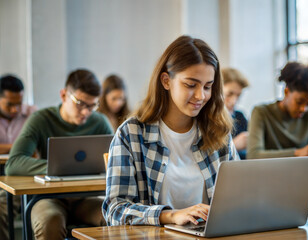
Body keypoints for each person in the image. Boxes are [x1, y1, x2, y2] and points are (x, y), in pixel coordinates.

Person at [102, 35, 239, 227]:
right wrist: (170, 216)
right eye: (191, 85)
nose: (201, 95)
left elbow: (239, 200)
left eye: (208, 86)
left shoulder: (219, 132)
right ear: (166, 81)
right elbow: (115, 210)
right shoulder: (131, 134)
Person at [1, 69, 113, 240]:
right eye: (80, 103)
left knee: (114, 218)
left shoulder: (100, 122)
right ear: (63, 95)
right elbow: (13, 163)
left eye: (92, 106)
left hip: (86, 198)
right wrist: (56, 168)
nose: (86, 112)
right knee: (49, 223)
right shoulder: (40, 119)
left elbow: (115, 163)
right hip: (47, 198)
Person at [247, 62, 308, 209]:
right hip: (272, 190)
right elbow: (254, 155)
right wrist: (297, 153)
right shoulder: (261, 113)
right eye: (299, 102)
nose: (303, 108)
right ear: (286, 92)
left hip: (307, 189)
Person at [0, 75, 36, 154]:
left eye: (19, 104)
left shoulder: (33, 114)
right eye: (9, 105)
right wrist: (20, 147)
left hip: (24, 164)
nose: (14, 110)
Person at [222, 67, 249, 159]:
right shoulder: (208, 119)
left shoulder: (240, 116)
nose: (234, 101)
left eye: (238, 95)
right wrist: (233, 145)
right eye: (229, 94)